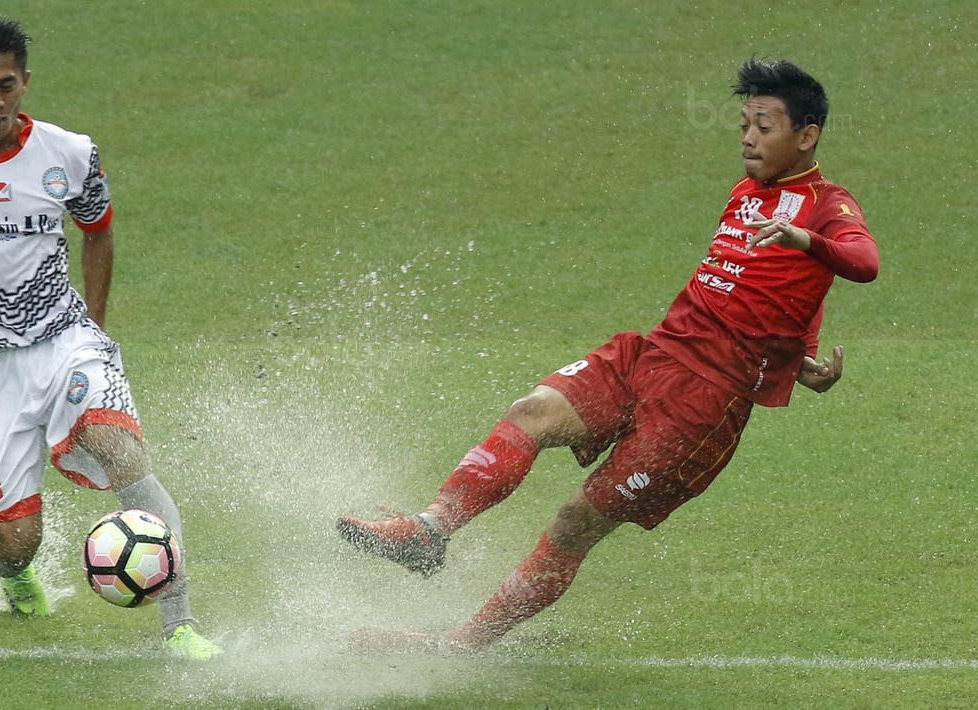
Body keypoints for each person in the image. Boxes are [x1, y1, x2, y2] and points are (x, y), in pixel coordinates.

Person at [337, 59, 879, 651]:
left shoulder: (828, 205)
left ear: (807, 135)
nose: (748, 137)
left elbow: (861, 263)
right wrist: (801, 353)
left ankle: (457, 646)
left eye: (764, 126)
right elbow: (785, 287)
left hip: (704, 404)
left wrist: (806, 242)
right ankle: (428, 529)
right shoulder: (746, 192)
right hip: (650, 355)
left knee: (576, 522)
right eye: (744, 124)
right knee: (533, 412)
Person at [0, 14, 221, 660]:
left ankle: (180, 624)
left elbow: (98, 229)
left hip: (64, 340)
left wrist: (93, 324)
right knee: (14, 541)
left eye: (7, 85)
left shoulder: (70, 153)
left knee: (122, 452)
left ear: (26, 81)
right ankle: (16, 576)